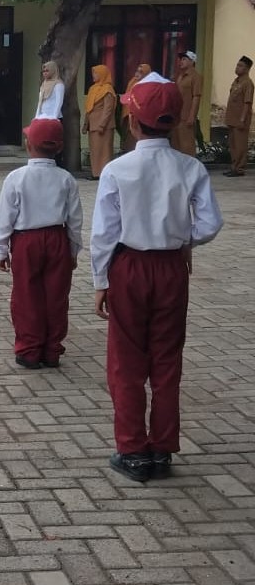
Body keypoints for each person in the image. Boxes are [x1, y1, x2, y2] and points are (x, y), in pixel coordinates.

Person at [91, 72, 223, 482]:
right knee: (167, 358)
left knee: (126, 360)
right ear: (177, 120)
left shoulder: (117, 169)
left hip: (128, 267)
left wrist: (101, 281)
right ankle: (162, 449)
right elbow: (211, 223)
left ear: (132, 121)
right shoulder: (190, 167)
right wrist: (182, 238)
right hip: (171, 268)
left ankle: (132, 450)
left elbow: (104, 233)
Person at [0, 118, 83, 370]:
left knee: (26, 295)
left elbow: (5, 218)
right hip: (57, 238)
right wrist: (73, 250)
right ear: (60, 146)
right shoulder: (66, 179)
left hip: (26, 241)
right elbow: (75, 219)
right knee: (56, 296)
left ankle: (29, 349)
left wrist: (1, 249)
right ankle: (52, 350)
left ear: (28, 144)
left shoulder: (16, 178)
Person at [82, 65, 117, 179]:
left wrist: (102, 124)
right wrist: (85, 124)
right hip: (93, 125)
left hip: (104, 126)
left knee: (104, 151)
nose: (93, 75)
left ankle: (104, 174)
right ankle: (96, 173)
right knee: (95, 151)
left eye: (96, 73)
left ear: (102, 74)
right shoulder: (93, 89)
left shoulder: (108, 89)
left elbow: (108, 109)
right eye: (93, 73)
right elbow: (89, 108)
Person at [224, 55, 254, 177]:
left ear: (247, 69)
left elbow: (247, 103)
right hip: (232, 118)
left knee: (240, 145)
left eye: (240, 66)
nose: (237, 67)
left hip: (240, 119)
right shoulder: (236, 81)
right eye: (237, 65)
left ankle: (239, 169)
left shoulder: (248, 83)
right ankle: (233, 167)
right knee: (233, 144)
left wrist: (242, 119)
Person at [172, 51, 202, 156]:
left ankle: (189, 165)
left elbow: (196, 97)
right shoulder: (180, 76)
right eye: (181, 59)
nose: (181, 61)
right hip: (177, 116)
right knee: (176, 145)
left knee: (186, 145)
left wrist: (192, 116)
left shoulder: (195, 77)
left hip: (186, 116)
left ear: (192, 61)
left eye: (184, 59)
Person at [120, 64, 152, 152]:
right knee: (129, 142)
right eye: (137, 71)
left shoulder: (148, 84)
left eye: (141, 72)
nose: (137, 74)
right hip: (130, 116)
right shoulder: (132, 82)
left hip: (141, 119)